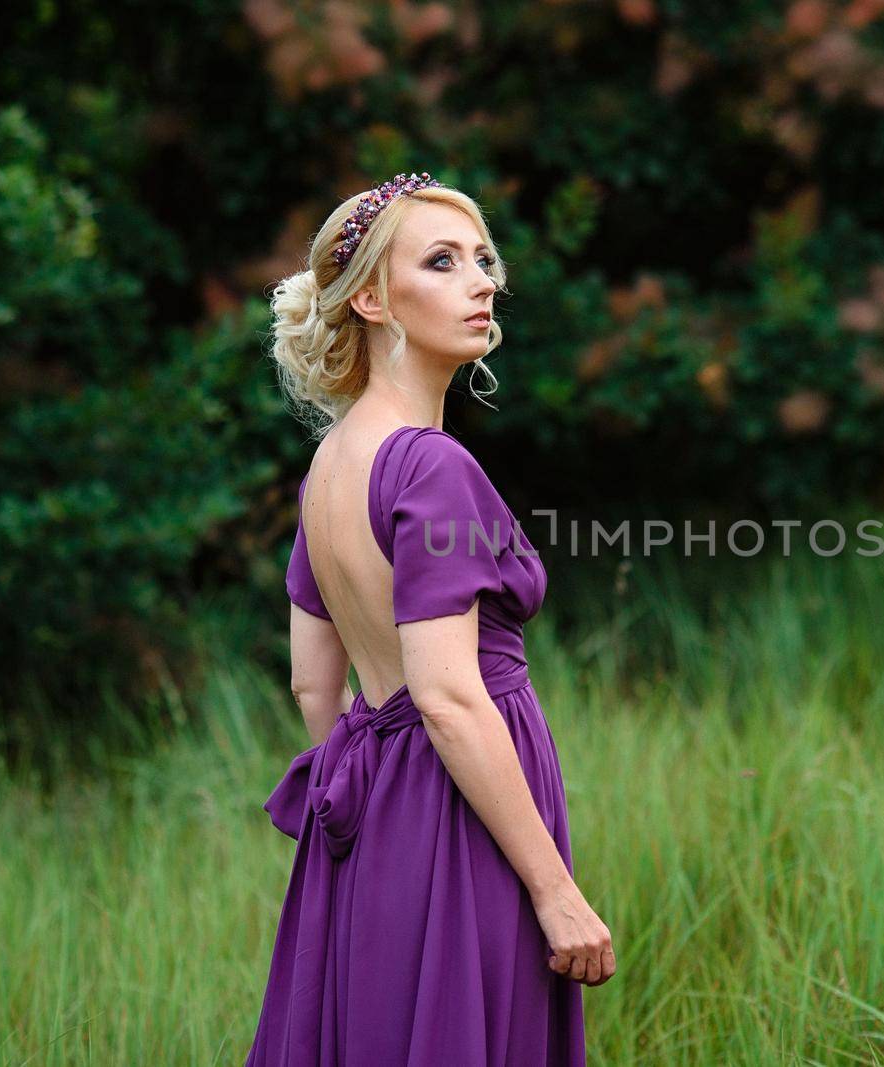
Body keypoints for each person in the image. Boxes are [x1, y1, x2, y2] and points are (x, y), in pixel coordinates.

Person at [245, 173, 613, 1066]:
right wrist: (555, 889)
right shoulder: (429, 467)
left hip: (374, 825)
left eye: (483, 259)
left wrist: (379, 813)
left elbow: (312, 683)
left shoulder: (330, 466)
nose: (482, 280)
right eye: (442, 262)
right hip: (463, 818)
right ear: (371, 297)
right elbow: (448, 697)